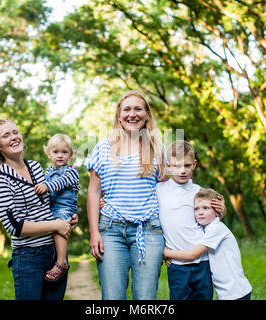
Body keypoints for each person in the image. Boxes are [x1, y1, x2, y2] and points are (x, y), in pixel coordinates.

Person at [0, 119, 78, 300]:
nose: (13, 137)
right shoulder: (0, 181)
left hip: (54, 252)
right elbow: (15, 227)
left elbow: (47, 204)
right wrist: (55, 225)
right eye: (6, 135)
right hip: (29, 257)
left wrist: (67, 219)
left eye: (15, 132)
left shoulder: (36, 167)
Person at [87, 90, 166, 300]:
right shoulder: (103, 147)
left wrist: (208, 202)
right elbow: (94, 192)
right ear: (118, 115)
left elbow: (170, 192)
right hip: (111, 231)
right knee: (112, 297)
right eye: (127, 109)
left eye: (138, 109)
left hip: (149, 230)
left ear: (147, 114)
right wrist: (94, 232)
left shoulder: (158, 148)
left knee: (145, 298)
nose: (133, 114)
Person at [157, 140, 226, 300]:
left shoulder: (199, 192)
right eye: (176, 166)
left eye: (187, 165)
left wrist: (222, 210)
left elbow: (216, 217)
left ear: (194, 164)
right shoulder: (159, 190)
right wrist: (105, 202)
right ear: (168, 165)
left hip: (203, 261)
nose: (182, 171)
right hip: (177, 265)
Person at [163, 188, 252, 300]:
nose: (200, 212)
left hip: (236, 292)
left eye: (206, 208)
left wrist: (166, 252)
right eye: (196, 209)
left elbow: (192, 255)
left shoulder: (217, 229)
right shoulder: (206, 229)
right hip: (226, 292)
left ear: (217, 210)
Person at [34, 134, 80, 282]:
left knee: (59, 224)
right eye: (56, 152)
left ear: (71, 154)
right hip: (51, 206)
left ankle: (61, 262)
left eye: (64, 152)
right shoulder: (47, 172)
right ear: (49, 154)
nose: (60, 155)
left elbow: (62, 182)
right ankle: (52, 258)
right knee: (48, 228)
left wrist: (46, 186)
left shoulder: (71, 171)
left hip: (65, 207)